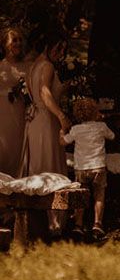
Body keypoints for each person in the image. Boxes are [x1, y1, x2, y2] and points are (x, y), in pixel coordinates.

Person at [22, 27, 71, 236]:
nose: (61, 54)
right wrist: (61, 116)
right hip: (46, 121)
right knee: (51, 166)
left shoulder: (32, 67)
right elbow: (44, 93)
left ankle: (37, 220)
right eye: (59, 49)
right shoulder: (48, 66)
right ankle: (54, 222)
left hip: (33, 122)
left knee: (38, 166)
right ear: (50, 47)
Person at [60, 97, 115, 240]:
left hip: (81, 168)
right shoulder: (101, 126)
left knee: (81, 196)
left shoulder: (76, 129)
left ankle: (78, 225)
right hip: (98, 166)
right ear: (95, 112)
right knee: (99, 195)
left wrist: (62, 130)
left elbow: (63, 142)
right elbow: (112, 136)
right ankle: (97, 224)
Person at [0, 27, 32, 177]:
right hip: (3, 112)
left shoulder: (29, 66)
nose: (18, 43)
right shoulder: (1, 67)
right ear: (5, 44)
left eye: (20, 40)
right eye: (14, 40)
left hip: (21, 112)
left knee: (18, 146)